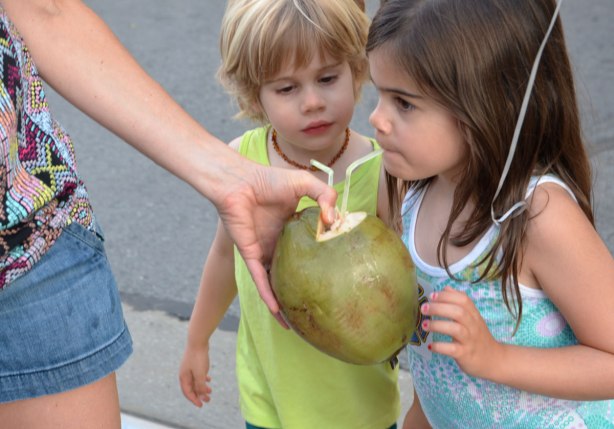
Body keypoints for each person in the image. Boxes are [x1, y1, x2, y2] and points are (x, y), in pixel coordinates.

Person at [0, 1, 336, 427]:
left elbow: (45, 10)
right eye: (287, 88)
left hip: (32, 242)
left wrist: (225, 176)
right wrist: (197, 339)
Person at [366, 0, 614, 427]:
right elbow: (433, 366)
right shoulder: (410, 192)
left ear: (485, 103)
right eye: (379, 93)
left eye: (403, 103)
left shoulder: (538, 215)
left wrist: (495, 359)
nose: (376, 119)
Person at [179, 1, 401, 428]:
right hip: (270, 402)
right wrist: (196, 339)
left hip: (359, 408)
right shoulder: (242, 162)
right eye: (286, 89)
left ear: (357, 69)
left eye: (327, 77)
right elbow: (226, 257)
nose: (313, 102)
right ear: (254, 93)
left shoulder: (381, 170)